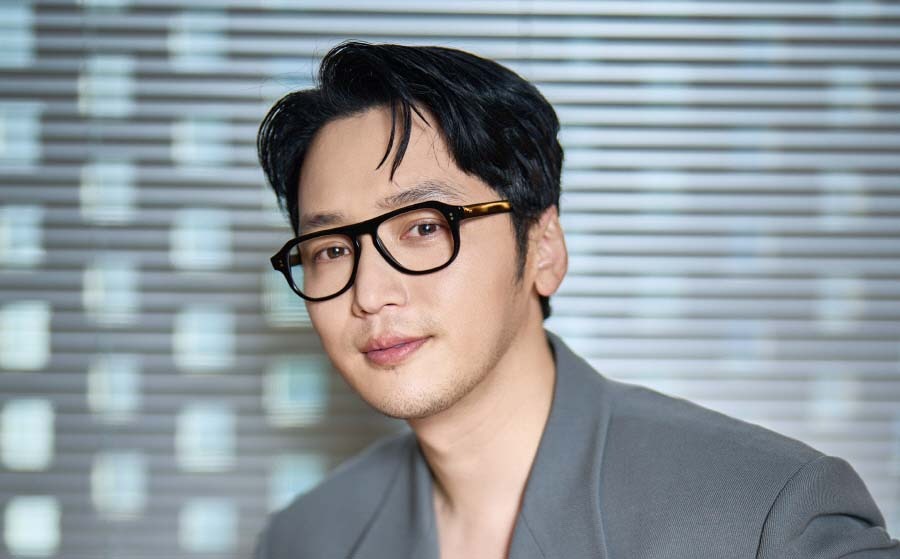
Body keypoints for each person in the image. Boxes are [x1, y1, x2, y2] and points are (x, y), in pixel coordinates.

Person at [253, 41, 899, 558]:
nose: (369, 293)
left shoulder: (766, 515)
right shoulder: (305, 538)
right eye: (330, 249)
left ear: (543, 248)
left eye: (423, 227)